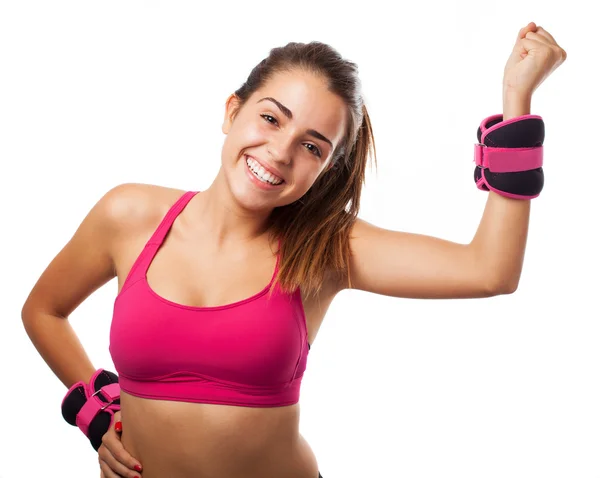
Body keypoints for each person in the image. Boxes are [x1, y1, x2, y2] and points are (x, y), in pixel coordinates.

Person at [21, 21, 566, 478]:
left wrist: (516, 105)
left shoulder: (326, 248)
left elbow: (489, 271)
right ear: (233, 111)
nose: (279, 153)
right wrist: (96, 411)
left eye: (311, 146)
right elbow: (43, 310)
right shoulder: (128, 215)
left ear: (326, 169)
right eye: (270, 117)